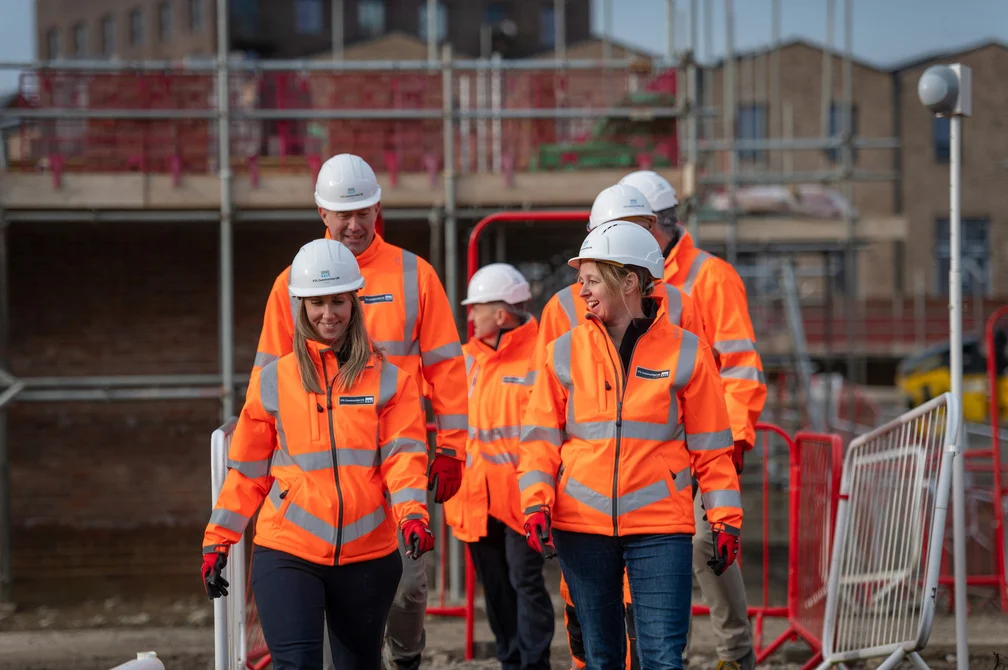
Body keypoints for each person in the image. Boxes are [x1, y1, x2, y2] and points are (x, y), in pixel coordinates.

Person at [252, 153, 468, 670]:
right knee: (324, 599)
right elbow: (268, 380)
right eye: (341, 214)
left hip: (397, 460)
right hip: (319, 474)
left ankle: (407, 655)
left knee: (409, 589)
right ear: (321, 213)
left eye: (363, 211)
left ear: (377, 208)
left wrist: (453, 449)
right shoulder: (292, 283)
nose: (353, 224)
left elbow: (447, 370)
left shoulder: (414, 276)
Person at [517, 221, 743, 670]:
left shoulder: (687, 352)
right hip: (581, 529)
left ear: (631, 282)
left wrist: (725, 520)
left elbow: (712, 449)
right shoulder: (562, 352)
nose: (581, 291)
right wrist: (535, 504)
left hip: (661, 529)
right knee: (600, 657)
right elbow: (540, 440)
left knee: (661, 656)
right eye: (580, 281)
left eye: (592, 280)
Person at [201, 239, 436, 670]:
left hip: (368, 555)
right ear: (300, 307)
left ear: (354, 302)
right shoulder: (273, 381)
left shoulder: (392, 382)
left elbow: (404, 457)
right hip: (287, 551)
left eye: (337, 301)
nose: (328, 314)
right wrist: (218, 539)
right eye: (316, 303)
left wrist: (413, 515)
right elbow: (247, 471)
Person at [618, 169, 768, 669]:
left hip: (706, 437)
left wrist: (734, 438)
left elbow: (741, 366)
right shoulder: (629, 275)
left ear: (659, 225)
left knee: (706, 539)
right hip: (653, 439)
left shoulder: (710, 278)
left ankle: (735, 653)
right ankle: (660, 653)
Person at [443, 262, 555, 670]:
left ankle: (533, 663)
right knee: (495, 588)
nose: (470, 316)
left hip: (524, 496)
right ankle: (510, 660)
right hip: (475, 497)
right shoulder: (463, 359)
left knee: (525, 581)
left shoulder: (543, 354)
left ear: (502, 314)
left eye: (477, 308)